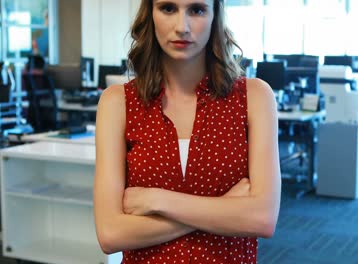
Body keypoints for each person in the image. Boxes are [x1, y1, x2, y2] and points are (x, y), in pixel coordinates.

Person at [93, 0, 281, 263]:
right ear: (151, 14)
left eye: (197, 10)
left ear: (215, 16)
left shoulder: (254, 97)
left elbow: (262, 219)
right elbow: (110, 233)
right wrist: (226, 207)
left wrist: (157, 200)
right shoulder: (118, 103)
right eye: (168, 8)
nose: (182, 27)